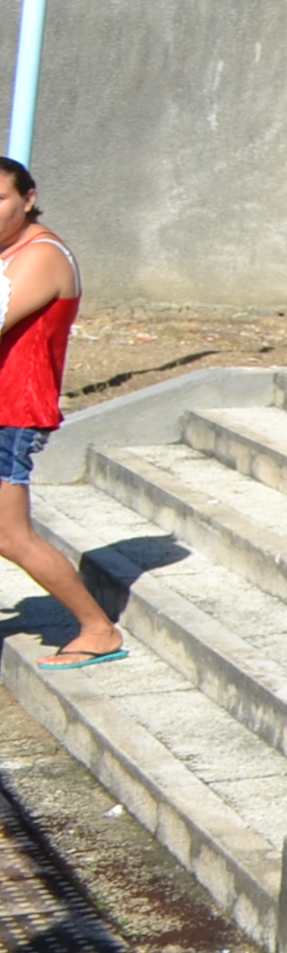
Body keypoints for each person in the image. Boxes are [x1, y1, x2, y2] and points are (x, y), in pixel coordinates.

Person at [0, 156, 113, 668]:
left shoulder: (39, 256)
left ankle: (97, 629)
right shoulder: (8, 251)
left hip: (11, 411)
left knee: (10, 535)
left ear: (27, 198)